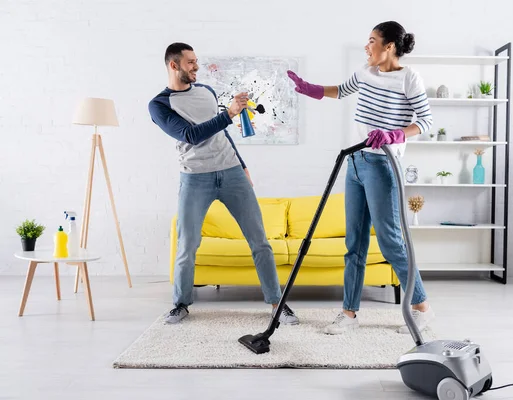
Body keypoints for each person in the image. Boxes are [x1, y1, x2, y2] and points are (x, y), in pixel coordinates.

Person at [287, 21, 434, 335]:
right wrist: (308, 88)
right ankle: (349, 313)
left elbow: (426, 121)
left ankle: (422, 307)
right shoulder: (365, 72)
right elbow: (340, 91)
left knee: (391, 241)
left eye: (372, 41)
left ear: (390, 46)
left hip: (382, 166)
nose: (367, 47)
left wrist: (395, 134)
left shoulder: (409, 78)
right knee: (354, 242)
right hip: (354, 162)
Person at [148, 42, 299, 325]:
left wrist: (242, 165)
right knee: (187, 245)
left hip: (231, 172)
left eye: (196, 61)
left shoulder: (206, 91)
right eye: (191, 62)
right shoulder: (159, 104)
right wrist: (228, 114)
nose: (196, 66)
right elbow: (192, 135)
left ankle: (277, 304)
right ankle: (181, 304)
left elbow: (221, 135)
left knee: (260, 242)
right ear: (174, 65)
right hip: (195, 178)